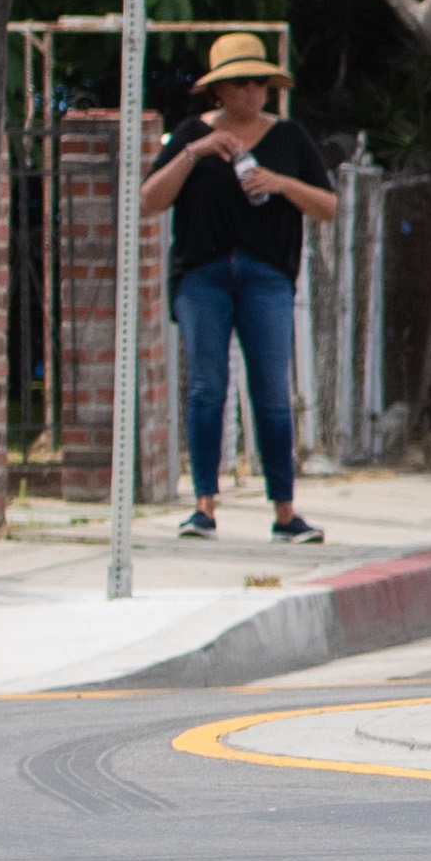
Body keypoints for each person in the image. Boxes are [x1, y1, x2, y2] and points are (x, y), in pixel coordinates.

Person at [141, 31, 341, 544]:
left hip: (266, 276)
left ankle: (284, 511)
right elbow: (148, 201)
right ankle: (204, 506)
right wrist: (195, 151)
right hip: (202, 276)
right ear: (219, 91)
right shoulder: (192, 134)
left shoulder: (289, 138)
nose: (251, 92)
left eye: (259, 82)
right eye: (239, 83)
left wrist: (280, 183)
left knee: (271, 391)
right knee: (207, 385)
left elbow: (328, 205)